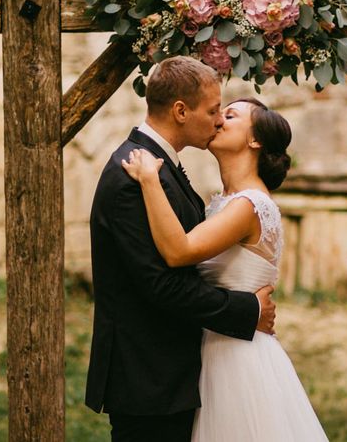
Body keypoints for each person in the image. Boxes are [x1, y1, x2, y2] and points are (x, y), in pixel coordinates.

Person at [85, 56, 276, 442]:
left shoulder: (160, 169)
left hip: (174, 376)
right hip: (148, 379)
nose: (219, 119)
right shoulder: (132, 177)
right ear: (180, 111)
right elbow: (161, 285)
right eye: (213, 110)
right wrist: (247, 309)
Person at [122, 95, 329, 441]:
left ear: (255, 140)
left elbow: (179, 251)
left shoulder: (248, 206)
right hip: (216, 344)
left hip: (237, 357)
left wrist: (149, 181)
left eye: (229, 115)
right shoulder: (223, 202)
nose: (218, 120)